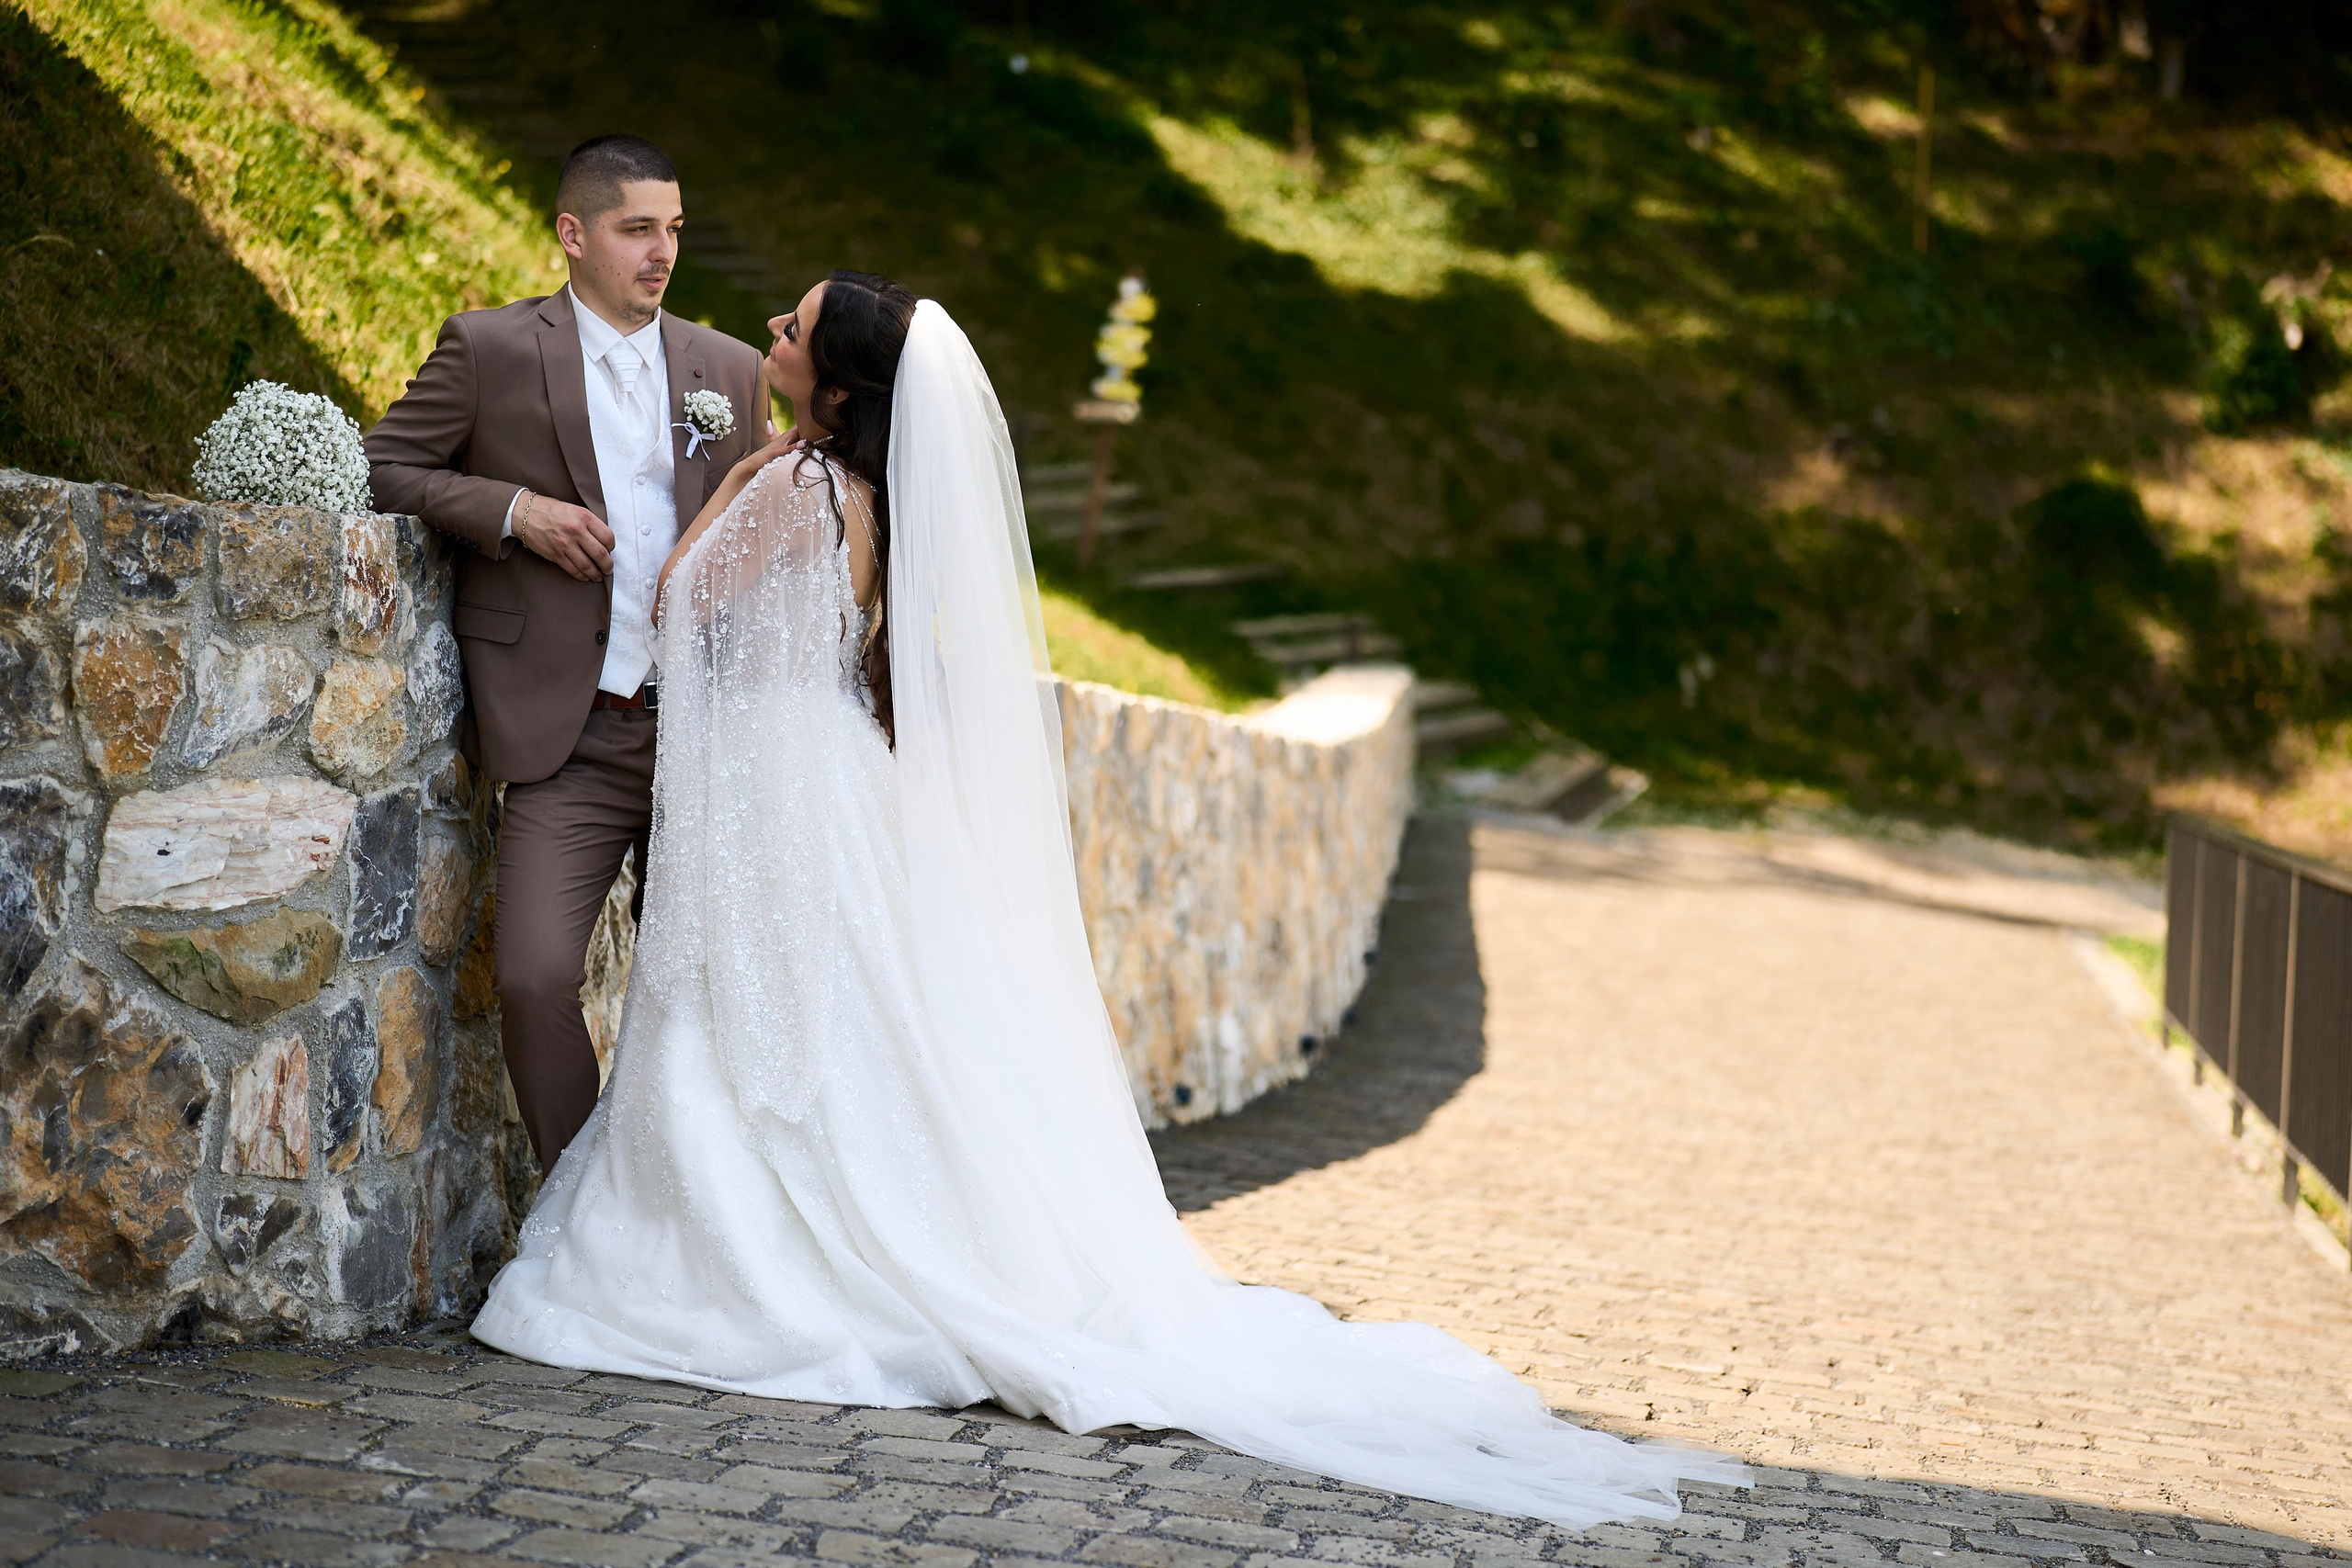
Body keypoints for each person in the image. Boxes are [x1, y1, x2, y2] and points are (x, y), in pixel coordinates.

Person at [471, 271, 1747, 1528]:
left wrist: (735, 480)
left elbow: (683, 601)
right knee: (837, 1027)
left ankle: (757, 1255)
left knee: (769, 1022)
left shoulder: (799, 485)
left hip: (779, 792)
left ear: (838, 382)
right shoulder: (868, 496)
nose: (769, 333)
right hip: (824, 779)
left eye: (791, 327)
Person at [364, 136, 764, 1170]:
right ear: (573, 234)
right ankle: (586, 1215)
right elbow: (386, 467)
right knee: (538, 978)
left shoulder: (732, 371)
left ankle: (718, 1216)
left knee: (722, 994)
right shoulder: (490, 349)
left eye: (673, 229)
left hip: (703, 737)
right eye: (638, 229)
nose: (661, 252)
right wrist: (513, 511)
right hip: (568, 734)